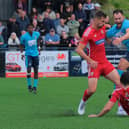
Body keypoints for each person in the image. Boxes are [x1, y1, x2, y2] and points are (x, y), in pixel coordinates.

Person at [76, 11, 122, 115]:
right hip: (94, 65)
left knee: (120, 83)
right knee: (92, 90)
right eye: (102, 21)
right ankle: (83, 102)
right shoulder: (88, 33)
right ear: (96, 19)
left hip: (105, 63)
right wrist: (90, 61)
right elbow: (78, 50)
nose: (103, 23)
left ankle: (121, 108)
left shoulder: (103, 26)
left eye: (104, 21)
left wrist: (112, 39)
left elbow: (108, 31)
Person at [106, 9, 129, 115]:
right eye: (116, 19)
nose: (118, 20)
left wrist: (120, 40)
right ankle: (121, 106)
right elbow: (105, 35)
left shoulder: (126, 23)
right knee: (119, 71)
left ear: (123, 17)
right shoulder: (114, 29)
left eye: (119, 18)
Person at [20, 24, 40, 94]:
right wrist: (22, 53)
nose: (30, 29)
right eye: (29, 28)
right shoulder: (24, 36)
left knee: (36, 70)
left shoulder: (36, 34)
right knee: (28, 69)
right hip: (28, 55)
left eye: (32, 28)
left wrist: (39, 47)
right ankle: (29, 85)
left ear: (33, 28)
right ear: (27, 29)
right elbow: (21, 45)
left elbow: (38, 40)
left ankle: (34, 87)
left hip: (35, 54)